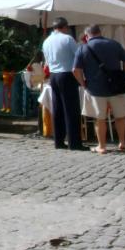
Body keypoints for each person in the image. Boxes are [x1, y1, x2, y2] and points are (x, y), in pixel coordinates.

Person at [73, 23, 125, 154]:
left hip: (95, 88)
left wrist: (83, 84)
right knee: (120, 116)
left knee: (100, 119)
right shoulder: (114, 44)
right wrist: (124, 76)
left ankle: (102, 146)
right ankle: (122, 142)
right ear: (100, 32)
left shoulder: (83, 48)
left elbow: (76, 70)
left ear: (87, 35)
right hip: (116, 87)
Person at [42, 17, 85, 151]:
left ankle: (59, 141)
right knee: (71, 110)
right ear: (65, 27)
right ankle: (74, 143)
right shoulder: (67, 39)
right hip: (67, 75)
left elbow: (47, 61)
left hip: (54, 76)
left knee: (58, 109)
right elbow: (79, 56)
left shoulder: (46, 41)